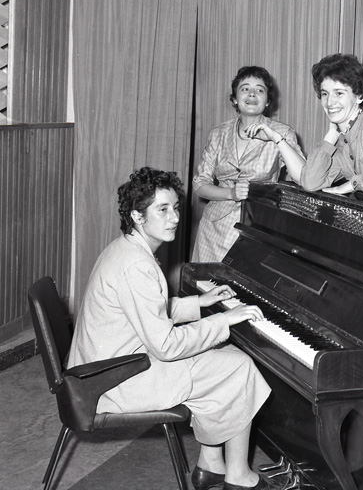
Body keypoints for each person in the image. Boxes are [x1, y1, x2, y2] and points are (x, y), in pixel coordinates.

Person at [68, 167, 279, 490]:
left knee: (222, 359)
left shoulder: (127, 249)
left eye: (176, 208)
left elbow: (148, 312)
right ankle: (238, 476)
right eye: (163, 210)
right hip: (112, 382)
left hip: (107, 368)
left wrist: (200, 303)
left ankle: (211, 465)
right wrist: (223, 319)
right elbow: (165, 346)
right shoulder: (136, 265)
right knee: (239, 367)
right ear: (137, 216)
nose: (175, 218)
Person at [192, 66, 304, 262]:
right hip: (213, 231)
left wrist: (276, 139)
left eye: (260, 89)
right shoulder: (218, 133)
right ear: (235, 98)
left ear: (267, 101)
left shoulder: (283, 132)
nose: (252, 94)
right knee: (206, 280)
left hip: (258, 227)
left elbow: (304, 177)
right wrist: (230, 193)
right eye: (245, 88)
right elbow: (200, 184)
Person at [300, 53, 363, 196]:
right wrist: (330, 137)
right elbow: (310, 182)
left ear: (359, 96)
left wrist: (353, 184)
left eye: (339, 93)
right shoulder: (341, 138)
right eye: (325, 94)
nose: (329, 102)